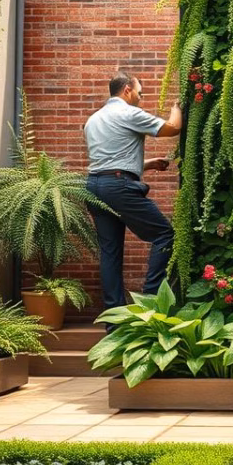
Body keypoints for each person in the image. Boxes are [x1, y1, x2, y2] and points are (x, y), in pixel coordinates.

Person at [83, 71, 183, 318]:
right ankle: (150, 302)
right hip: (119, 187)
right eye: (140, 92)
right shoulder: (128, 113)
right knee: (165, 234)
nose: (141, 97)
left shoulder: (93, 120)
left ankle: (114, 323)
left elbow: (109, 161)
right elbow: (172, 128)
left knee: (110, 254)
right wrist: (177, 107)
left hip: (95, 186)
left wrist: (147, 164)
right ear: (127, 90)